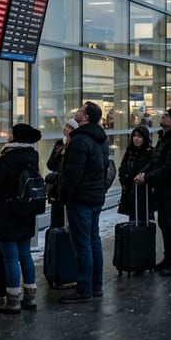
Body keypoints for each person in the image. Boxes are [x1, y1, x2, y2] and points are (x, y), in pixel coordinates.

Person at [0, 123, 43, 314]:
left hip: (7, 211)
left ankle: (13, 300)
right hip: (26, 211)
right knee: (25, 254)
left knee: (10, 256)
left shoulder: (8, 158)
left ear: (16, 137)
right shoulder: (32, 157)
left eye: (11, 132)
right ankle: (30, 296)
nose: (8, 134)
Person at [58, 102, 109, 303]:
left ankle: (84, 288)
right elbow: (104, 167)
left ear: (86, 118)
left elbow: (73, 173)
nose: (76, 112)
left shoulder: (79, 141)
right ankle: (96, 286)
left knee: (82, 244)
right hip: (95, 196)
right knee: (93, 240)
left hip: (81, 198)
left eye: (80, 110)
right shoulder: (100, 139)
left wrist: (64, 196)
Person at [134, 107, 171, 277]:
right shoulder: (164, 138)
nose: (163, 117)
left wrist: (148, 177)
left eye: (166, 116)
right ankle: (169, 258)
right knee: (165, 224)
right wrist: (143, 173)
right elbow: (155, 161)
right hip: (163, 190)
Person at [117, 124, 153, 218]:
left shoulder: (150, 152)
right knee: (133, 217)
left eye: (139, 136)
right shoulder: (130, 152)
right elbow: (123, 167)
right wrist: (124, 179)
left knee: (143, 218)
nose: (136, 139)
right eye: (134, 136)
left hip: (144, 192)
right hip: (130, 190)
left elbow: (151, 168)